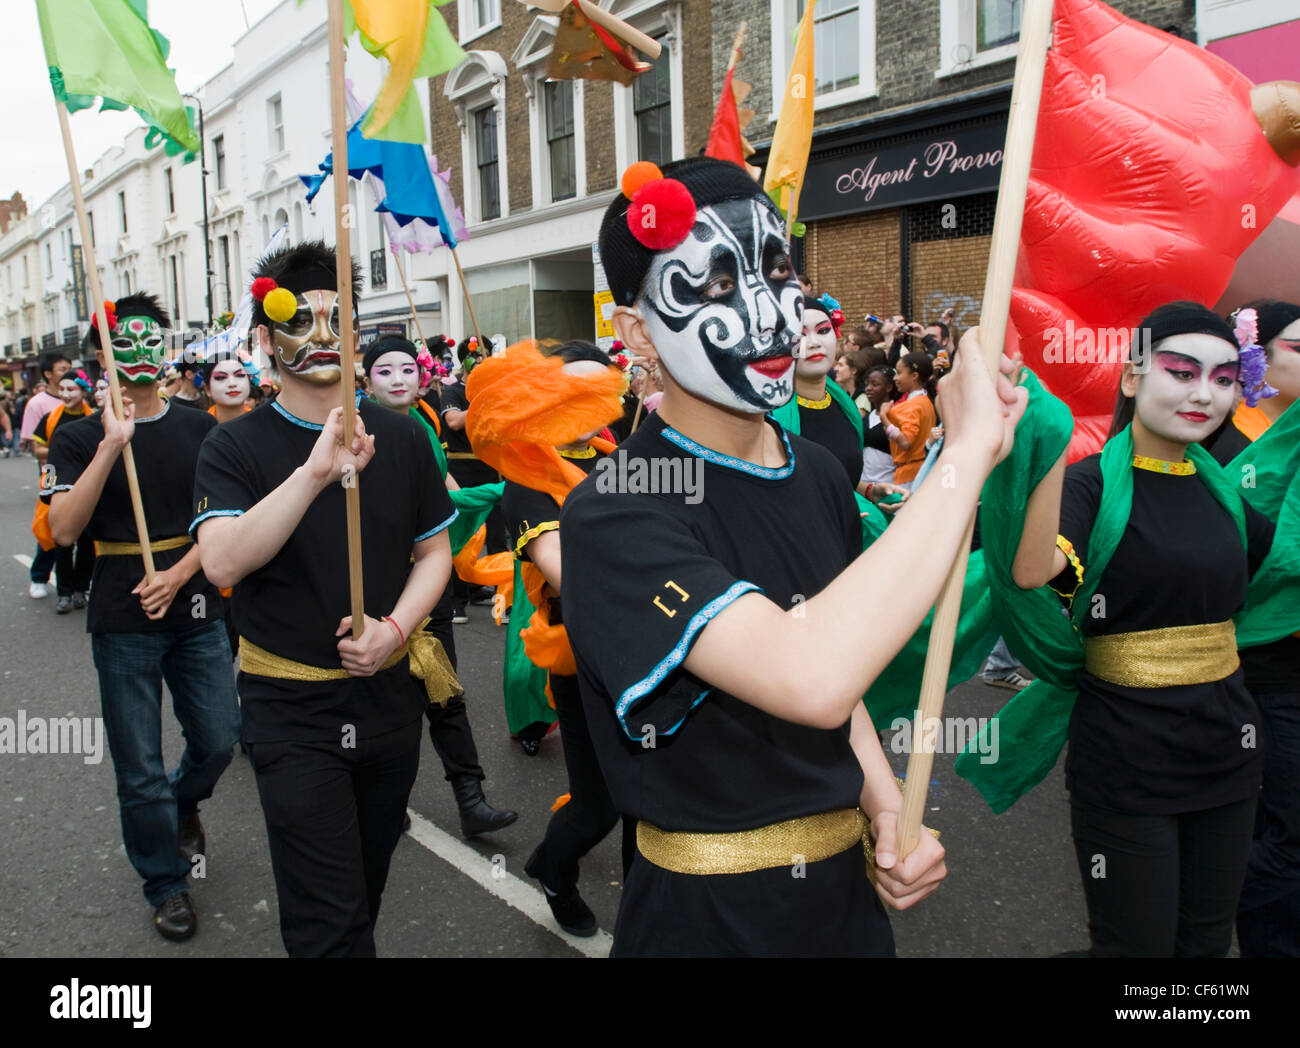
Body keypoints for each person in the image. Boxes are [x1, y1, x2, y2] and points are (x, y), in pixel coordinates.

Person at [560, 157, 1024, 956]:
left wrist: (886, 812)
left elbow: (844, 691)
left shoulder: (815, 471)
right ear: (637, 331)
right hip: (708, 922)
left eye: (777, 274)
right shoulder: (613, 507)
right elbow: (809, 675)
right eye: (710, 287)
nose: (769, 315)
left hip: (845, 906)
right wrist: (967, 452)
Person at [192, 241, 456, 957]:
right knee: (328, 925)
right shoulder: (234, 446)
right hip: (292, 712)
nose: (321, 335)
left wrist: (396, 630)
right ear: (263, 341)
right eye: (299, 320)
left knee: (363, 893)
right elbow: (220, 560)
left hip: (389, 704)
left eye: (337, 318)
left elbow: (436, 553)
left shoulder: (403, 436)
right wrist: (313, 473)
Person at [1008, 301, 1286, 957]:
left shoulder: (1224, 493)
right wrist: (1045, 438)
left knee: (1208, 941)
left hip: (1229, 754)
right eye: (1182, 371)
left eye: (1223, 379)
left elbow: (1284, 567)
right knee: (1137, 949)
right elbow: (1030, 571)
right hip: (1128, 761)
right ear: (1132, 378)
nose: (1203, 393)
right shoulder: (1088, 487)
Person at [43, 292, 240, 942]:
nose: (140, 353)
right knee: (138, 765)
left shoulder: (200, 426)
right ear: (104, 354)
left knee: (217, 736)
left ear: (166, 346)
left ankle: (184, 802)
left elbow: (220, 519)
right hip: (120, 618)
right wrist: (109, 446)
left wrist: (179, 574)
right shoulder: (74, 434)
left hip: (193, 603)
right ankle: (166, 882)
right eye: (124, 342)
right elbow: (64, 531)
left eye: (151, 339)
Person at [469, 339, 626, 937]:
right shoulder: (526, 477)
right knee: (598, 803)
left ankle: (644, 912)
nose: (585, 402)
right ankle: (552, 867)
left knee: (649, 794)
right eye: (570, 388)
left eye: (598, 388)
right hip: (579, 654)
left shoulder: (624, 459)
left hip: (648, 647)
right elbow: (566, 570)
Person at [364, 334, 517, 839]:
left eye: (406, 369)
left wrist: (511, 488)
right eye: (384, 371)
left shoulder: (425, 428)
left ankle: (471, 799)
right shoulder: (351, 432)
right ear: (366, 381)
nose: (398, 379)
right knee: (388, 702)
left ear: (421, 375)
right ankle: (385, 798)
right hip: (373, 586)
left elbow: (447, 494)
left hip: (425, 582)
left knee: (444, 691)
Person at [1208, 299, 1300, 957]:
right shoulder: (1222, 435)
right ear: (1257, 353)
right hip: (1257, 659)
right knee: (1282, 826)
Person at [440, 338, 501, 623]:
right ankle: (457, 600)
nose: (480, 362)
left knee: (499, 534)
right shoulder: (452, 391)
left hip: (494, 467)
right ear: (464, 359)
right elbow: (453, 421)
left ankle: (501, 595)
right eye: (475, 357)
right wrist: (482, 402)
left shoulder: (496, 390)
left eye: (485, 357)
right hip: (462, 469)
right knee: (464, 534)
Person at [32, 371, 96, 613]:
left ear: (82, 391)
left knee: (88, 541)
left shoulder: (94, 419)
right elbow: (37, 448)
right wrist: (61, 449)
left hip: (87, 485)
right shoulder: (51, 418)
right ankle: (64, 593)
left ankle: (81, 589)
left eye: (71, 389)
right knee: (62, 541)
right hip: (57, 483)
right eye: (62, 389)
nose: (66, 394)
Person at [22, 353, 70, 598]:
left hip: (82, 474)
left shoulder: (83, 402)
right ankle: (39, 576)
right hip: (52, 475)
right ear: (49, 374)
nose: (67, 373)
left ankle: (79, 582)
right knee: (51, 526)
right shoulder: (37, 404)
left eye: (70, 369)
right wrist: (66, 450)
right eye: (62, 369)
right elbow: (36, 449)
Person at [879, 351, 936, 488]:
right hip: (919, 469)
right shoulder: (924, 401)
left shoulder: (912, 406)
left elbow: (905, 442)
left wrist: (884, 418)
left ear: (914, 376)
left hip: (909, 474)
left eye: (899, 373)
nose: (895, 378)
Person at [861, 365, 898, 487]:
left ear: (888, 387)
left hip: (889, 484)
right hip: (866, 483)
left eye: (875, 384)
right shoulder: (867, 418)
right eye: (867, 384)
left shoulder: (896, 415)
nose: (868, 388)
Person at [203, 352, 254, 424]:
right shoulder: (199, 429)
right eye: (221, 377)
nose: (232, 383)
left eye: (239, 375)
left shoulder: (265, 423)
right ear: (207, 389)